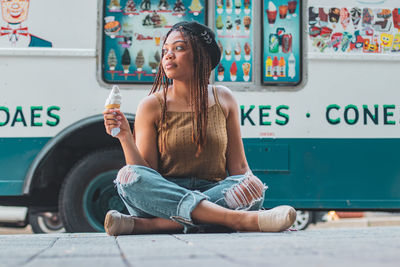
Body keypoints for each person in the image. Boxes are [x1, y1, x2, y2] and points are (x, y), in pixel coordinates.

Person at [103, 21, 296, 235]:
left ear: (201, 55)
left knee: (253, 185)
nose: (168, 55)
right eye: (165, 50)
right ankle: (235, 219)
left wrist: (253, 192)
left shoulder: (224, 98)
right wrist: (124, 138)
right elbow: (146, 173)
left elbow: (240, 167)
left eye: (178, 48)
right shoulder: (151, 105)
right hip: (164, 196)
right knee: (128, 176)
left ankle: (151, 226)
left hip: (213, 192)